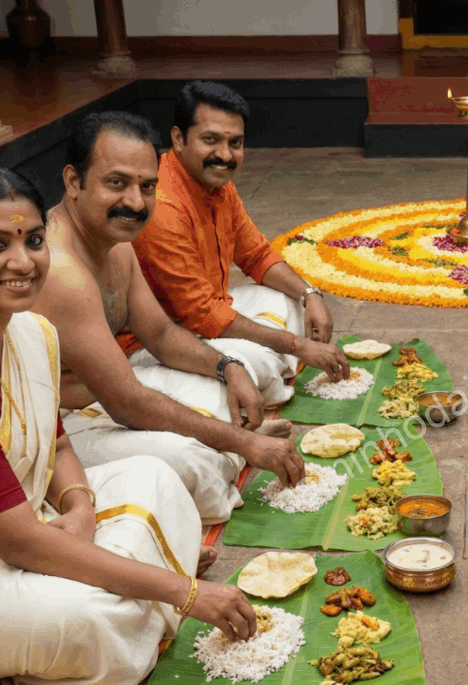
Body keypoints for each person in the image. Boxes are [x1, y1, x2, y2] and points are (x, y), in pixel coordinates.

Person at [0, 164, 258, 685]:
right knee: (89, 619)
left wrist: (79, 505)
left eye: (34, 241)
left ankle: (132, 580)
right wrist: (185, 593)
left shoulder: (26, 327)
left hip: (18, 526)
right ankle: (143, 582)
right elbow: (18, 542)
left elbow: (58, 446)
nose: (23, 262)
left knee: (156, 475)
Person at [32, 111, 305, 525]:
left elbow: (159, 335)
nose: (135, 203)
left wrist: (226, 367)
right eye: (116, 183)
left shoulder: (115, 240)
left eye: (147, 186)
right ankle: (230, 450)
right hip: (60, 434)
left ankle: (229, 445)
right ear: (74, 182)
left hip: (115, 396)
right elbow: (127, 404)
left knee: (234, 383)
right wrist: (243, 442)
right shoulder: (61, 270)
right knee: (191, 465)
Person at [131, 80, 349, 393]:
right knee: (253, 366)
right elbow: (203, 316)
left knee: (291, 300)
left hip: (210, 316)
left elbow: (257, 256)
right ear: (178, 139)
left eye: (235, 143)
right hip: (160, 344)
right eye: (210, 140)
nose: (225, 155)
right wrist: (298, 346)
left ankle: (272, 364)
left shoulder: (218, 185)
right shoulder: (162, 206)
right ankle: (267, 371)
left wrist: (310, 294)